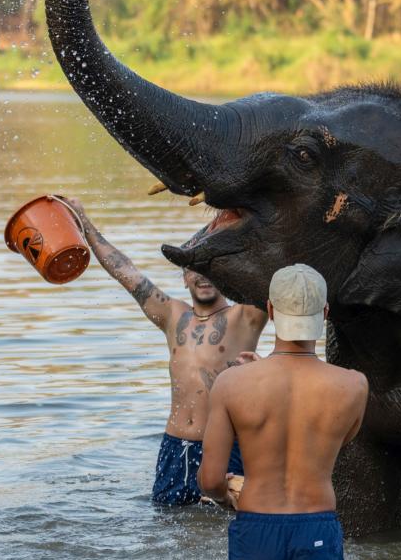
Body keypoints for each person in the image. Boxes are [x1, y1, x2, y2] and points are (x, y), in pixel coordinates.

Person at [64, 198, 269, 505]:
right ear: (184, 276)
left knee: (221, 529)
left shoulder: (245, 316)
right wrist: (84, 224)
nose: (202, 276)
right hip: (174, 447)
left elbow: (274, 278)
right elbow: (126, 272)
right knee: (167, 525)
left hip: (223, 447)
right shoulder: (173, 316)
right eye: (194, 268)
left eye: (210, 267)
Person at [198, 263, 368, 560]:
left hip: (257, 530)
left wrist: (228, 491)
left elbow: (210, 481)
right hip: (316, 530)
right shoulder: (353, 386)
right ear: (324, 313)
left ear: (272, 311)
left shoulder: (233, 384)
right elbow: (341, 438)